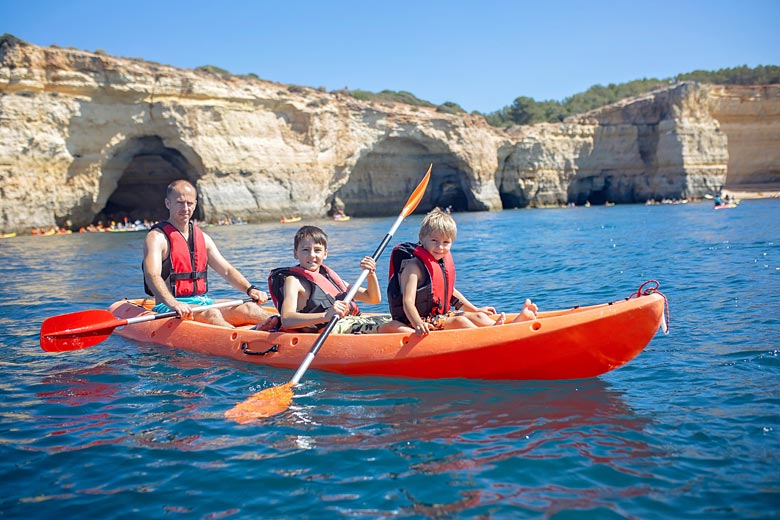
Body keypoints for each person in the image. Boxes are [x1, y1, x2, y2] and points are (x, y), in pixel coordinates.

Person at [385, 208, 538, 336]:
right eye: (434, 241)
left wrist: (475, 309)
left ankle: (506, 328)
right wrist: (418, 324)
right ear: (422, 238)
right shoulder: (413, 267)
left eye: (446, 242)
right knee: (460, 321)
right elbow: (408, 302)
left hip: (437, 317)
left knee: (479, 316)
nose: (440, 247)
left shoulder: (438, 262)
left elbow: (449, 292)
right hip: (416, 321)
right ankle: (495, 336)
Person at [142, 179, 272, 328]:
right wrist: (174, 303)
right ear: (168, 203)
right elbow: (152, 276)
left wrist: (250, 289)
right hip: (168, 307)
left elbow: (227, 271)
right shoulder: (156, 238)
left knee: (249, 308)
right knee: (212, 314)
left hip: (203, 302)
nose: (185, 208)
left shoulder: (203, 238)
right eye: (179, 202)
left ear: (195, 204)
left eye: (189, 203)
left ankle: (290, 326)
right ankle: (246, 342)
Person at [267, 225, 393, 334]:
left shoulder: (330, 278)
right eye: (305, 250)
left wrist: (370, 275)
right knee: (395, 327)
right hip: (330, 328)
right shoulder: (293, 281)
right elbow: (287, 320)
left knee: (400, 321)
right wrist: (326, 315)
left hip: (351, 321)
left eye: (317, 250)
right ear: (296, 253)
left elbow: (373, 298)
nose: (312, 255)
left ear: (325, 254)